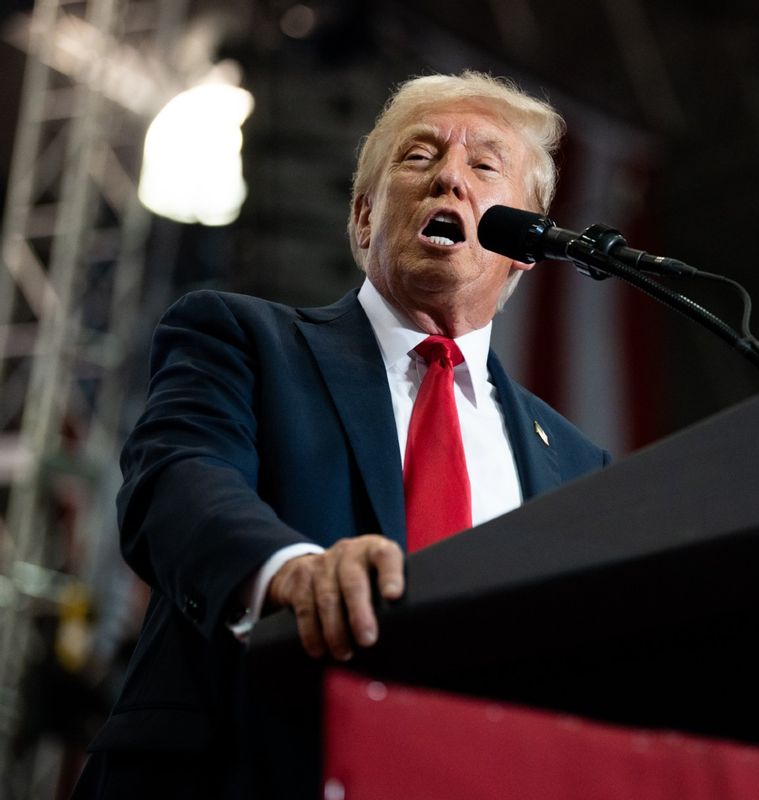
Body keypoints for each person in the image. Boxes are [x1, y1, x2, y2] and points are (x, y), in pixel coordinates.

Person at [72, 70, 610, 798]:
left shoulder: (579, 466)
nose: (451, 176)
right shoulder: (244, 340)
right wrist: (288, 571)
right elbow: (176, 481)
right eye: (419, 157)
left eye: (485, 165)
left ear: (524, 245)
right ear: (363, 218)